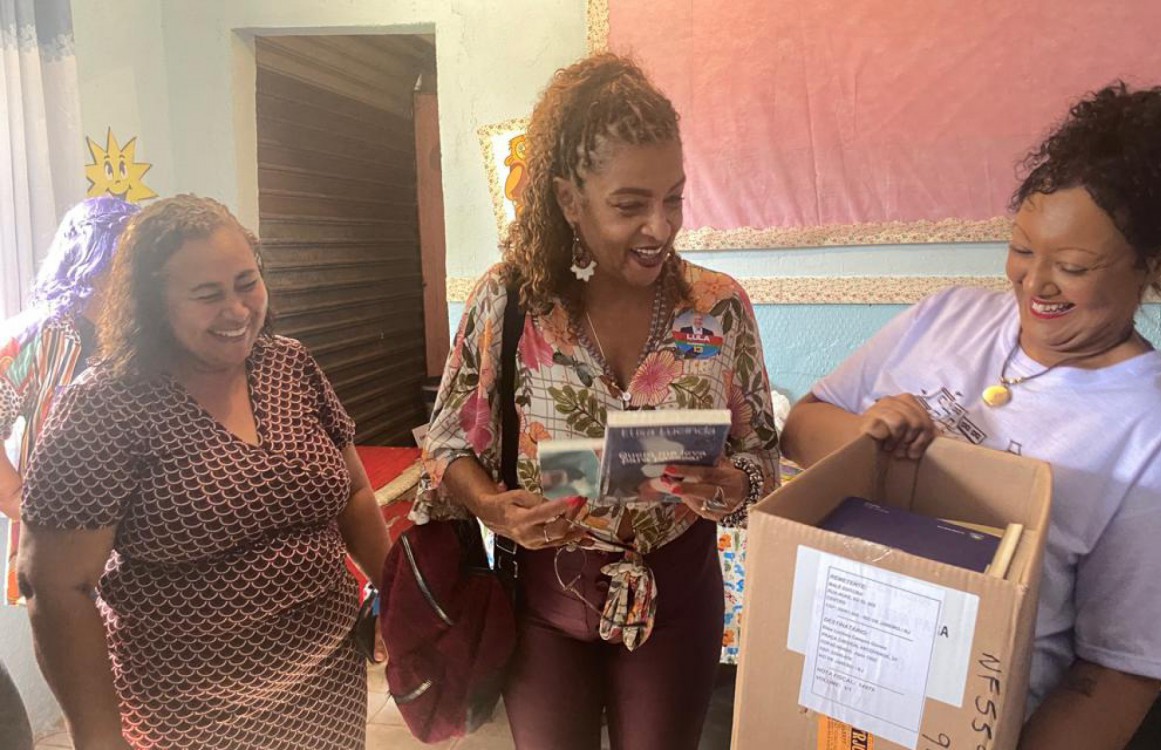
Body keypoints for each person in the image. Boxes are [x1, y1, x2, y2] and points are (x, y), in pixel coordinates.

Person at [781, 82, 1161, 749]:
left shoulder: (1156, 438)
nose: (1035, 284)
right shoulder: (947, 317)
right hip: (828, 692)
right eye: (1023, 249)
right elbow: (802, 426)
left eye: (1072, 266)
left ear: (1159, 257)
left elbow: (1118, 674)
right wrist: (866, 438)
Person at [415, 53, 780, 749]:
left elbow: (763, 451)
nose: (660, 226)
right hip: (543, 604)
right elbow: (446, 443)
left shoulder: (717, 306)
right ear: (567, 199)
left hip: (678, 593)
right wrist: (494, 507)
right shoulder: (511, 300)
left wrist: (736, 481)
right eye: (630, 204)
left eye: (673, 197)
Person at [17, 195, 392, 749]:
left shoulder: (289, 364)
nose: (237, 310)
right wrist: (99, 740)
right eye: (207, 294)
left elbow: (354, 492)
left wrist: (396, 594)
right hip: (188, 716)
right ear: (152, 303)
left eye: (247, 283)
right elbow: (54, 587)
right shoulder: (103, 407)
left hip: (328, 687)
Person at [0, 197, 138, 750]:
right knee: (89, 689)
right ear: (89, 259)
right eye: (123, 258)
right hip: (65, 545)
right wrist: (14, 495)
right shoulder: (39, 336)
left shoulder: (148, 333)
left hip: (144, 540)